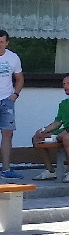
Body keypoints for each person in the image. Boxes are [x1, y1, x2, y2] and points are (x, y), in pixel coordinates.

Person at [0, 30, 23, 179]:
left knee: (7, 134)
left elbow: (19, 78)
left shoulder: (13, 57)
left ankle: (6, 169)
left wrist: (15, 95)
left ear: (7, 43)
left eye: (1, 42)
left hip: (6, 100)